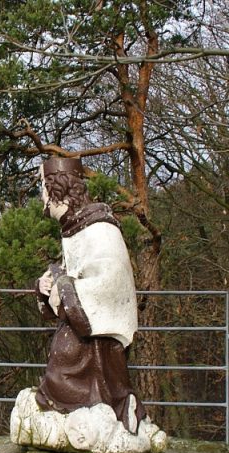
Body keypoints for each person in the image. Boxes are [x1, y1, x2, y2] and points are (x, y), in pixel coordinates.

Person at [34, 156, 146, 434]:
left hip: (98, 335)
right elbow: (72, 269)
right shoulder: (74, 227)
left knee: (67, 365)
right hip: (80, 324)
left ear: (57, 190)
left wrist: (66, 287)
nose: (42, 199)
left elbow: (110, 279)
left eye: (43, 190)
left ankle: (103, 412)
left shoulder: (100, 227)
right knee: (60, 366)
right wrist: (46, 285)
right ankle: (70, 412)